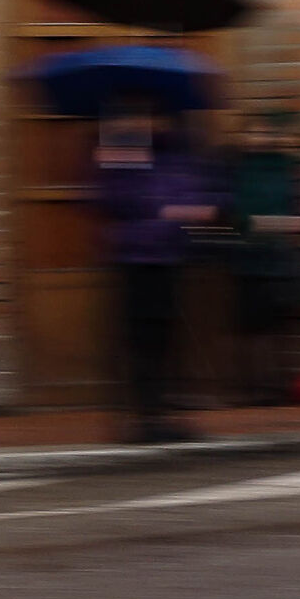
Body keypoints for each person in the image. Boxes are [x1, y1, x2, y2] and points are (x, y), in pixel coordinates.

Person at [94, 93, 219, 444]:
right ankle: (142, 417)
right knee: (140, 340)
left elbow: (194, 190)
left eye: (153, 117)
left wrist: (196, 208)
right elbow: (112, 199)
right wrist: (163, 209)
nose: (147, 124)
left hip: (169, 256)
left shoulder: (175, 152)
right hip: (133, 258)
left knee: (165, 338)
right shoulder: (116, 152)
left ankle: (163, 414)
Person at [228, 109, 300, 404]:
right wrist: (269, 222)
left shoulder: (284, 168)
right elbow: (238, 214)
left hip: (280, 258)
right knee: (252, 327)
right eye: (253, 132)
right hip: (249, 259)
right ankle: (252, 388)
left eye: (264, 132)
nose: (259, 139)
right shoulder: (239, 170)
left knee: (281, 325)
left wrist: (273, 222)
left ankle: (279, 385)